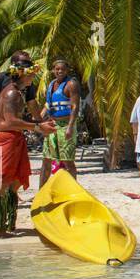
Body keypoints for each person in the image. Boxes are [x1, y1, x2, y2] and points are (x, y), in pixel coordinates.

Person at [0, 56, 54, 237]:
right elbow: (10, 122)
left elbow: (21, 117)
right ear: (23, 75)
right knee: (2, 182)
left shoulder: (17, 91)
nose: (33, 79)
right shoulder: (12, 93)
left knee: (15, 181)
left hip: (14, 139)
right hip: (6, 139)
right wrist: (38, 127)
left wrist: (40, 123)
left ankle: (7, 222)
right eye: (31, 75)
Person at [0, 51, 40, 204]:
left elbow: (32, 103)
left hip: (15, 132)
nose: (34, 75)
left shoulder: (22, 88)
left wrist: (40, 121)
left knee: (14, 176)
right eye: (29, 68)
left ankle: (9, 201)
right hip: (1, 130)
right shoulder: (5, 84)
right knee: (0, 173)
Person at [39, 58, 81, 186]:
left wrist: (70, 127)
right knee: (46, 160)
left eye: (62, 69)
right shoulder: (51, 84)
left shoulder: (71, 84)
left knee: (67, 161)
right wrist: (39, 119)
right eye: (57, 69)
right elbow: (48, 104)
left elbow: (75, 106)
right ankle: (41, 192)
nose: (60, 71)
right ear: (53, 71)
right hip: (52, 124)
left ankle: (72, 190)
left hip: (65, 125)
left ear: (67, 70)